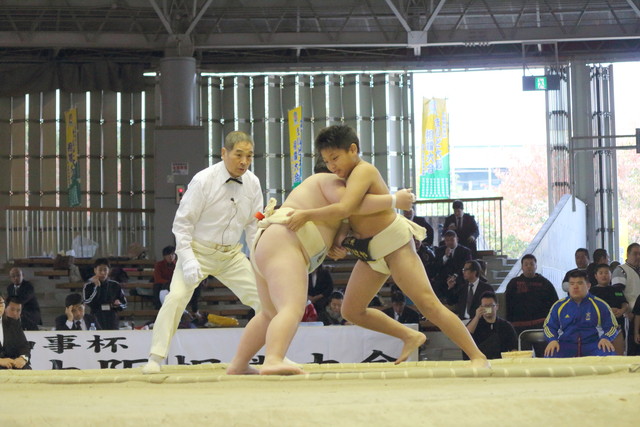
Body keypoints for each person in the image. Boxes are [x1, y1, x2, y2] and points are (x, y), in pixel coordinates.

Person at [284, 125, 489, 368]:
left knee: (428, 304)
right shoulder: (344, 180)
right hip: (370, 253)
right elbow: (348, 217)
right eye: (327, 161)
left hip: (394, 244)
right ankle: (409, 335)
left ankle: (477, 356)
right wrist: (338, 242)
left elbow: (346, 208)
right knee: (351, 310)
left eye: (335, 158)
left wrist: (306, 214)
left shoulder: (364, 170)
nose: (332, 166)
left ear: (353, 149)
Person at [226, 166, 414, 375]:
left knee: (270, 314)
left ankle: (239, 364)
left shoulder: (327, 203)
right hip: (285, 242)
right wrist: (394, 200)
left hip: (270, 244)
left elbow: (339, 222)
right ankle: (273, 359)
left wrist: (336, 245)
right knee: (291, 308)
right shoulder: (329, 180)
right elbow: (352, 205)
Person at [142, 131, 265, 374]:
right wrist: (187, 260)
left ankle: (264, 357)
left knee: (267, 302)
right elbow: (182, 224)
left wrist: (259, 258)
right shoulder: (203, 180)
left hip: (232, 255)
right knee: (176, 298)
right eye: (239, 155)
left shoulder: (253, 182)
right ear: (224, 153)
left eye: (249, 156)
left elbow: (255, 224)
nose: (244, 162)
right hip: (197, 251)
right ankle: (155, 358)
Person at [543, 270, 618, 358]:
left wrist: (606, 338)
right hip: (566, 345)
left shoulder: (600, 305)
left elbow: (612, 326)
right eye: (572, 284)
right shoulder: (558, 306)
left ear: (588, 285)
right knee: (551, 354)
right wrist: (552, 340)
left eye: (580, 283)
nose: (575, 287)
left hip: (594, 344)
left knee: (608, 353)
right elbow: (548, 326)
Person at [505, 254, 559, 336]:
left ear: (536, 266)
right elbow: (507, 303)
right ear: (522, 267)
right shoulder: (513, 283)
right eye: (526, 264)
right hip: (518, 325)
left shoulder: (545, 283)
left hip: (541, 324)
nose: (529, 267)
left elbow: (555, 303)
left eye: (531, 264)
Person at [463, 291, 517, 360]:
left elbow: (514, 348)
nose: (488, 308)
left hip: (500, 361)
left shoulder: (506, 326)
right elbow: (465, 335)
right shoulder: (476, 323)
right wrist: (476, 317)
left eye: (491, 305)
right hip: (480, 360)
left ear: (496, 307)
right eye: (485, 306)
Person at [589, 263, 628, 354]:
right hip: (599, 328)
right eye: (601, 273)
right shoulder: (591, 292)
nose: (604, 275)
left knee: (618, 352)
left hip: (617, 326)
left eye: (606, 273)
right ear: (596, 276)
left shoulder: (616, 290)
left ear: (611, 275)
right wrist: (609, 311)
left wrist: (621, 310)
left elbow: (624, 303)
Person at [612, 242, 640, 356]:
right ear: (628, 254)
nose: (638, 256)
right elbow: (617, 293)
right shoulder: (621, 270)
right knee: (629, 348)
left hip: (638, 314)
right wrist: (626, 311)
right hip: (628, 316)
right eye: (635, 254)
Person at [83, 258, 127, 330]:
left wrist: (118, 305)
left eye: (105, 270)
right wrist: (97, 287)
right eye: (100, 270)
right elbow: (88, 302)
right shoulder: (88, 286)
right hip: (96, 317)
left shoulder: (115, 285)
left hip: (112, 318)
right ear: (95, 270)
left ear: (109, 270)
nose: (103, 273)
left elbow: (124, 304)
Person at [432, 230, 472, 300]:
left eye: (452, 240)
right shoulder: (439, 250)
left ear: (457, 239)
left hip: (459, 275)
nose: (449, 242)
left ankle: (456, 302)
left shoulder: (465, 251)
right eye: (447, 240)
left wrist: (455, 276)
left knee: (460, 283)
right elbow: (436, 267)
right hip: (444, 277)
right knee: (436, 284)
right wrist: (445, 256)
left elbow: (466, 266)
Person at [0, 295, 31, 370]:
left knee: (26, 369)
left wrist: (22, 358)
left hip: (12, 366)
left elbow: (24, 346)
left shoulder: (14, 324)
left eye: (1, 303)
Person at [152, 245, 176, 309]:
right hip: (162, 284)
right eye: (168, 255)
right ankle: (158, 307)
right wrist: (168, 282)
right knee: (157, 286)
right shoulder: (159, 265)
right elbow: (157, 279)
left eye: (173, 254)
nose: (171, 256)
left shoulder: (177, 265)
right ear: (164, 256)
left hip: (174, 284)